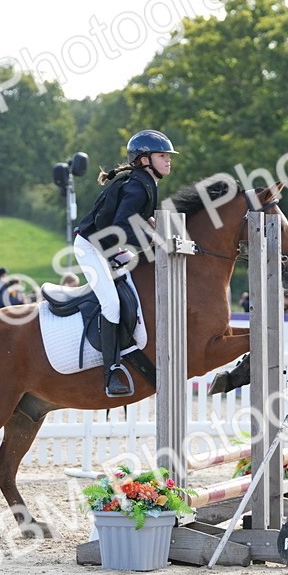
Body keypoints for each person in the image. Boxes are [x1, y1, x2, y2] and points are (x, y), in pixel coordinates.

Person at [73, 128, 176, 396]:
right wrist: (153, 241)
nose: (169, 160)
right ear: (145, 160)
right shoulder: (137, 185)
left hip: (110, 247)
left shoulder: (146, 183)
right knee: (112, 303)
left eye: (168, 156)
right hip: (91, 248)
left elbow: (143, 219)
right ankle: (111, 371)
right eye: (162, 156)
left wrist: (162, 235)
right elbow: (121, 226)